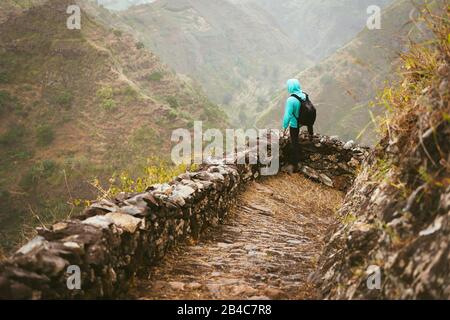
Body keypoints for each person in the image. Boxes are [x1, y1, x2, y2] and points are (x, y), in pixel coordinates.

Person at [282, 78, 312, 172]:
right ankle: (311, 135)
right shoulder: (304, 95)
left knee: (294, 143)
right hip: (305, 121)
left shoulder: (291, 100)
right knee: (298, 141)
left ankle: (294, 164)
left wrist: (284, 127)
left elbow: (288, 115)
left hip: (295, 123)